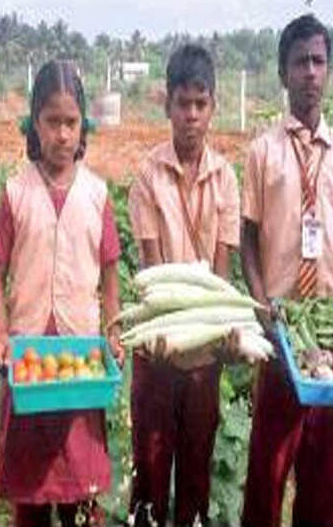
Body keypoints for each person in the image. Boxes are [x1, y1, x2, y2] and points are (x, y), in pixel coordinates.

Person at [239, 13, 333, 527]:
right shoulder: (262, 153)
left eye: (318, 61)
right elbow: (248, 238)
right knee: (267, 469)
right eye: (300, 62)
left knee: (325, 477)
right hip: (283, 328)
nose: (310, 72)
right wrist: (261, 306)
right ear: (283, 73)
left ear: (328, 70)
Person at [0, 60, 125, 527]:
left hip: (80, 357)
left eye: (71, 122)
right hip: (29, 359)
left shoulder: (97, 194)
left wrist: (112, 330)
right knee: (30, 490)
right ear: (35, 123)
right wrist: (0, 325)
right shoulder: (16, 192)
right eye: (52, 122)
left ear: (83, 125)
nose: (62, 135)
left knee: (79, 483)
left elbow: (109, 272)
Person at [126, 44, 243, 526]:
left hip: (202, 355)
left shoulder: (226, 180)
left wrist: (226, 332)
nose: (191, 115)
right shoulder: (147, 177)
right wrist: (163, 336)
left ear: (213, 106)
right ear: (167, 106)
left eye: (201, 104)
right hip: (157, 347)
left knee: (196, 466)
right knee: (151, 468)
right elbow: (154, 278)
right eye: (182, 103)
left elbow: (220, 277)